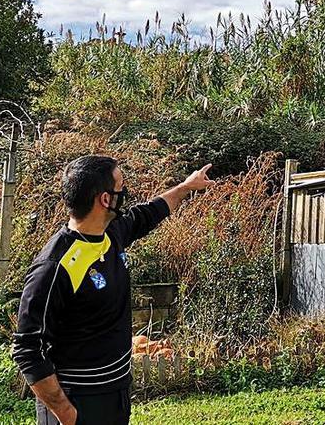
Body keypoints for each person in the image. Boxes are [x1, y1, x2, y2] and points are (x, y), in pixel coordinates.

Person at [12, 155, 214, 425]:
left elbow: (150, 212)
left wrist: (186, 187)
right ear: (105, 199)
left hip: (115, 393)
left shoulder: (111, 233)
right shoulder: (54, 267)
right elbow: (27, 349)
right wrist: (65, 413)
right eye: (121, 187)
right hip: (77, 401)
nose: (126, 194)